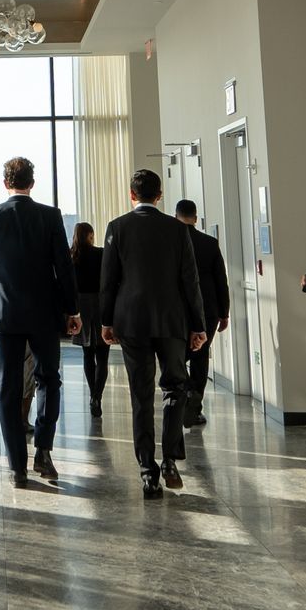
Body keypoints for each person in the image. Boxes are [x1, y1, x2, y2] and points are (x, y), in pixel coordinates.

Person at [0, 155, 80, 489]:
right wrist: (72, 310)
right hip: (45, 313)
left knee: (8, 386)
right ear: (32, 183)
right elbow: (64, 266)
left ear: (6, 183)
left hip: (5, 313)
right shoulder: (50, 216)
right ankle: (43, 451)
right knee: (50, 380)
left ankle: (17, 466)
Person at [100, 164, 207, 496]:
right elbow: (190, 281)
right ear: (160, 196)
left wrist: (106, 321)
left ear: (132, 195)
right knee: (175, 387)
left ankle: (148, 470)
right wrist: (198, 326)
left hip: (131, 321)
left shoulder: (117, 227)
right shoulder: (177, 231)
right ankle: (171, 459)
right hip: (171, 321)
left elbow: (108, 281)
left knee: (141, 394)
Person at [173, 198, 231, 427]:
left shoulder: (171, 244)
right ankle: (195, 407)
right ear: (195, 218)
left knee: (176, 355)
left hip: (179, 309)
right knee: (200, 356)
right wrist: (224, 313)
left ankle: (186, 391)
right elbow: (221, 281)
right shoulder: (210, 243)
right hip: (208, 309)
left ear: (176, 217)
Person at [70, 221, 107, 420]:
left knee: (87, 354)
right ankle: (97, 397)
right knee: (103, 356)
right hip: (100, 303)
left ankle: (92, 392)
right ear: (90, 235)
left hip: (81, 306)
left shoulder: (72, 256)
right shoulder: (100, 254)